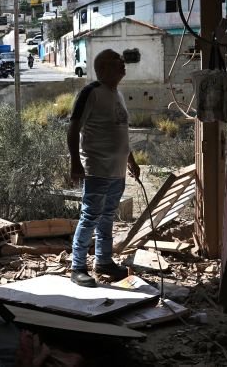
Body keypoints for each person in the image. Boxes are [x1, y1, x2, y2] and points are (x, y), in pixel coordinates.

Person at [67, 49, 140, 287]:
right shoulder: (91, 92)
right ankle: (77, 267)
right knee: (90, 217)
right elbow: (73, 128)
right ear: (104, 68)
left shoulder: (117, 94)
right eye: (117, 61)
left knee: (108, 217)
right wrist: (75, 162)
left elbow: (121, 132)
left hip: (117, 171)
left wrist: (131, 161)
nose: (123, 63)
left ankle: (104, 261)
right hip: (97, 168)